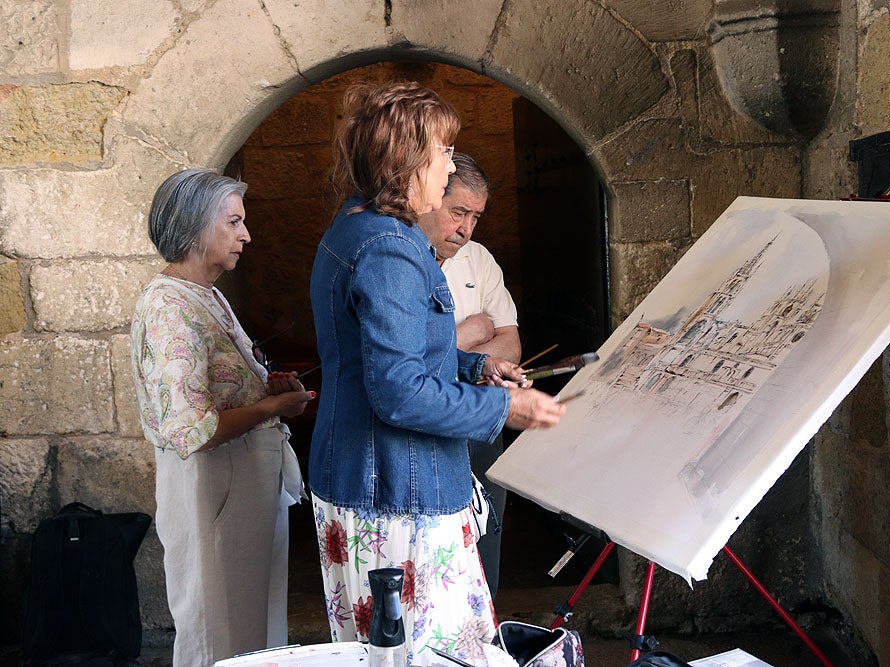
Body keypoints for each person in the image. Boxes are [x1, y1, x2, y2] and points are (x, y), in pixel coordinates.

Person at [309, 82, 565, 667]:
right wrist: (506, 410)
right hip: (395, 492)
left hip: (365, 479)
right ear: (408, 161)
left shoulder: (354, 225)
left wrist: (477, 367)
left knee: (382, 653)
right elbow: (398, 392)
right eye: (444, 152)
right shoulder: (389, 247)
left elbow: (391, 353)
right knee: (426, 655)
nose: (450, 166)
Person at [130, 168, 315, 667]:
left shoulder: (206, 294)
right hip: (211, 487)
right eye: (233, 222)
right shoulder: (169, 306)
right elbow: (193, 428)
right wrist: (270, 408)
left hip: (238, 484)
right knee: (217, 626)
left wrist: (265, 389)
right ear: (196, 227)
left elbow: (221, 390)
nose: (246, 234)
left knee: (251, 623)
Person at [416, 153, 517, 599]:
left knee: (485, 535)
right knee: (432, 550)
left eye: (475, 216)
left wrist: (446, 348)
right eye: (458, 212)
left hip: (477, 420)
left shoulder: (479, 259)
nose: (467, 228)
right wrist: (471, 332)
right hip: (422, 423)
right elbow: (407, 362)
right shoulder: (399, 260)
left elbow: (511, 347)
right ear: (430, 198)